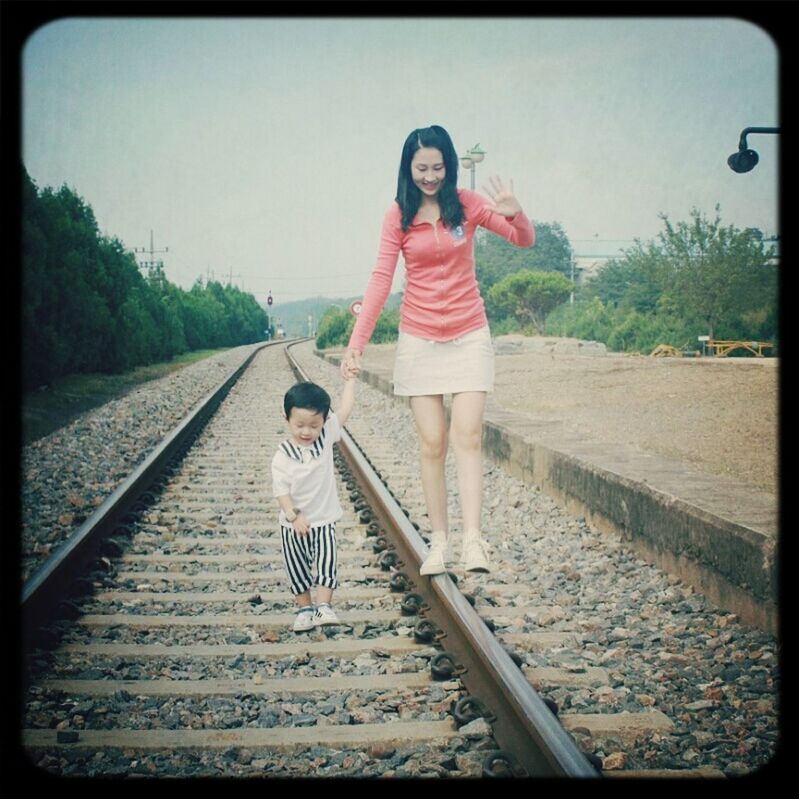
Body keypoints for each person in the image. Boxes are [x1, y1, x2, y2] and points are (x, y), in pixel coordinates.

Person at [341, 125, 534, 576]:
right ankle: (440, 543)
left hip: (469, 335)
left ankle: (473, 542)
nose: (430, 176)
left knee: (467, 436)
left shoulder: (466, 205)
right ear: (408, 169)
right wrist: (357, 346)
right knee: (433, 443)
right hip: (419, 339)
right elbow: (380, 281)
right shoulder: (398, 215)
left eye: (437, 168)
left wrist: (517, 214)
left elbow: (523, 240)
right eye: (421, 168)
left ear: (448, 167)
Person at [271, 378, 356, 632]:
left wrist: (350, 379)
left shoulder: (326, 437)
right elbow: (281, 491)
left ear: (323, 423)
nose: (306, 432)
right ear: (287, 420)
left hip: (324, 518)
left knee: (327, 561)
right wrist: (292, 515)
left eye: (314, 425)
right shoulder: (283, 455)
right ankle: (304, 609)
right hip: (293, 523)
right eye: (299, 425)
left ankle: (323, 607)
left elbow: (346, 408)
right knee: (297, 565)